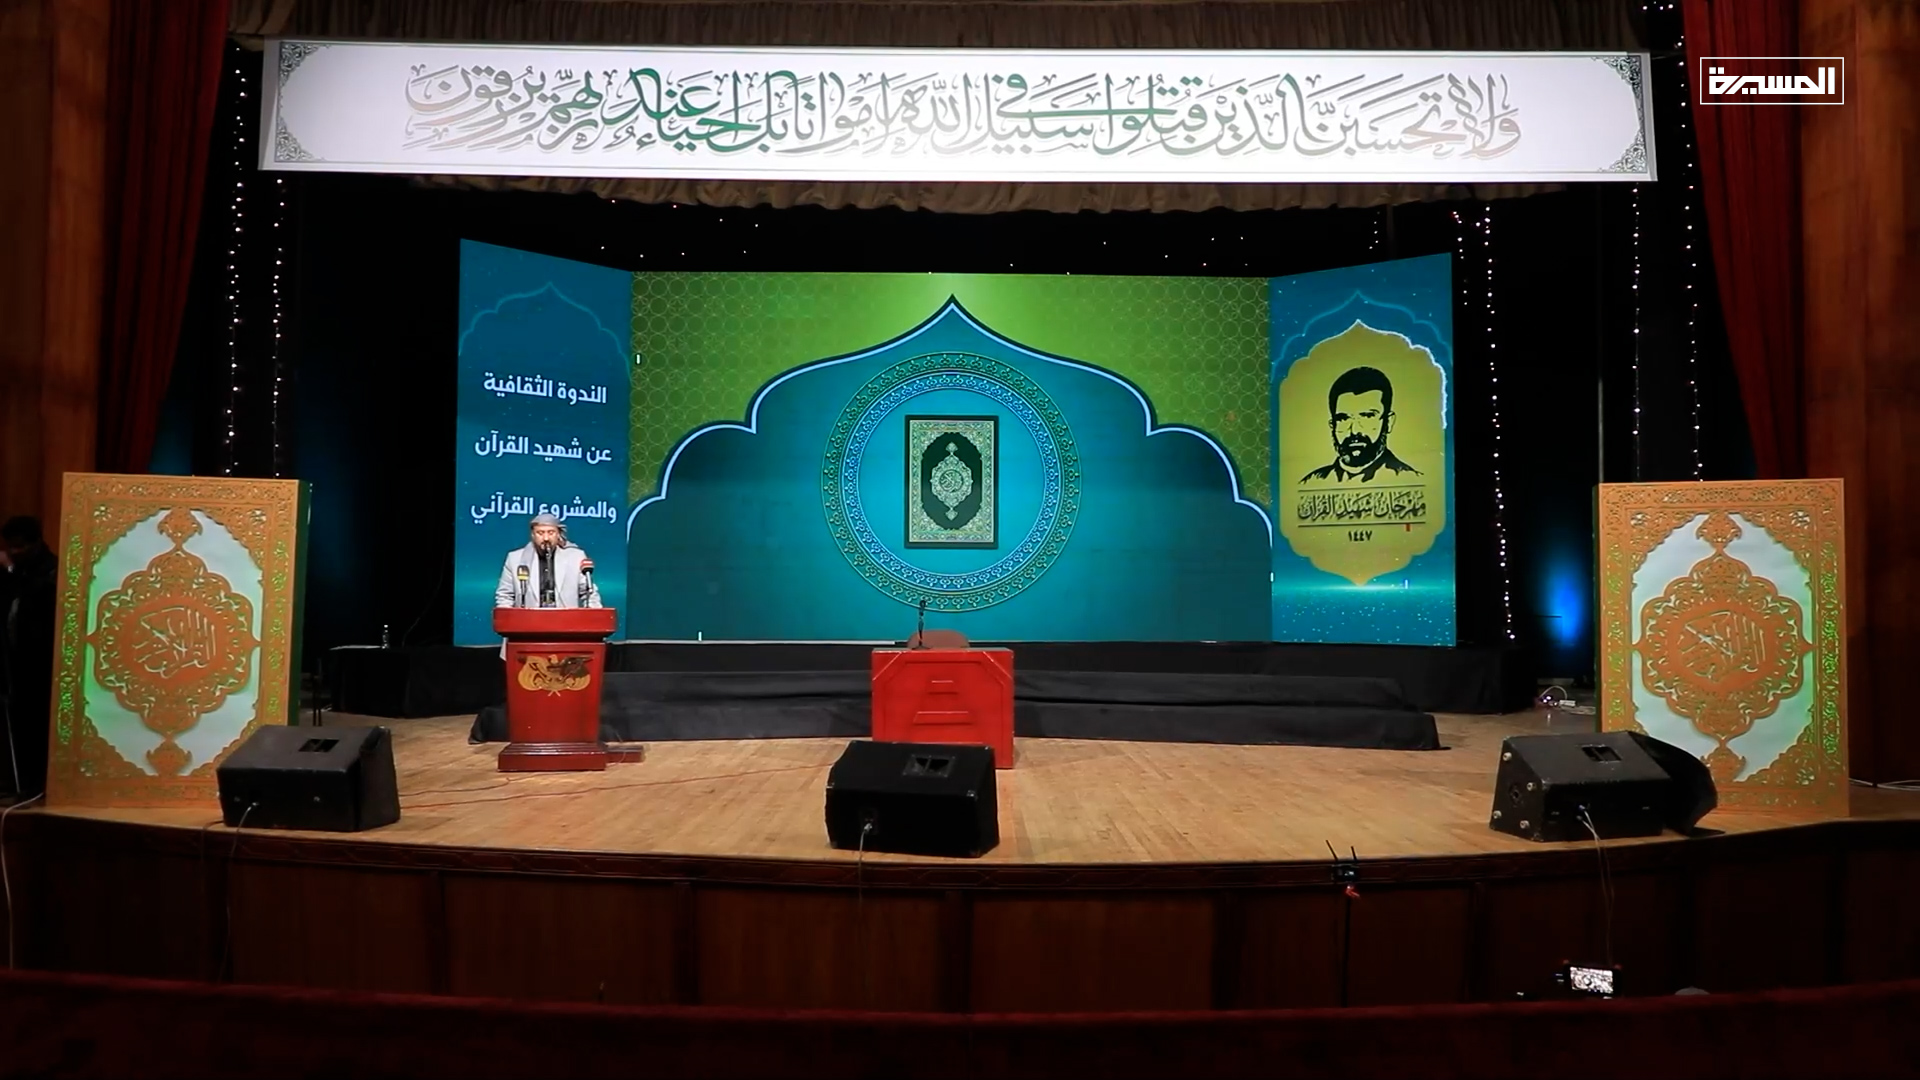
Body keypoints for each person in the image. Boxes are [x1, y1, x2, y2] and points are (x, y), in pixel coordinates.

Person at [1, 516, 58, 798]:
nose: (14, 552)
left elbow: (37, 596)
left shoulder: (52, 570)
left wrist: (11, 570)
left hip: (43, 666)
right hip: (15, 664)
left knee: (37, 728)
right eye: (10, 546)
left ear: (36, 543)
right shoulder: (16, 572)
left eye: (20, 546)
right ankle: (18, 784)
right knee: (17, 727)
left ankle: (37, 787)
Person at [1298, 365, 1422, 485]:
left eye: (1367, 416)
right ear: (1332, 425)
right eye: (1343, 418)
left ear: (1388, 422)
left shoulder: (1410, 479)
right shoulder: (1311, 482)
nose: (1354, 430)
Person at [494, 513, 600, 611]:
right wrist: (507, 619)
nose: (546, 538)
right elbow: (505, 596)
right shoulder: (515, 559)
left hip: (566, 622)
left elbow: (589, 594)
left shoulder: (576, 557)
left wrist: (594, 616)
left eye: (551, 533)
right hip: (528, 623)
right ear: (532, 535)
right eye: (540, 533)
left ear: (558, 534)